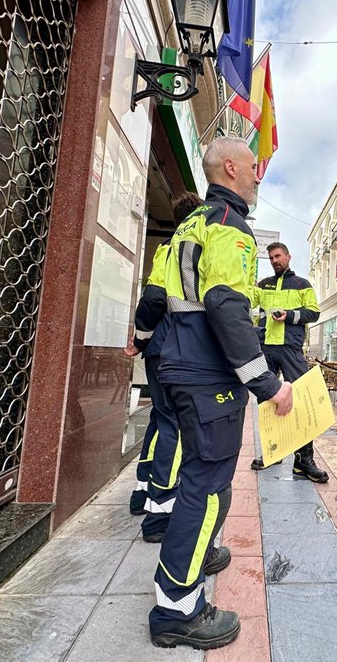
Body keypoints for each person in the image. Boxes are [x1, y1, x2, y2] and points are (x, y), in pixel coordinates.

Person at [149, 137, 293, 650]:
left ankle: (198, 551)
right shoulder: (230, 226)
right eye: (254, 168)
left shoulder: (189, 223)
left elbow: (165, 300)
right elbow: (227, 306)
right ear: (231, 168)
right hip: (210, 376)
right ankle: (177, 607)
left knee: (198, 476)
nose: (258, 177)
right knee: (206, 486)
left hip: (181, 367)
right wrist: (267, 383)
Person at [125, 193, 202, 543]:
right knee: (172, 424)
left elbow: (153, 297)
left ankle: (142, 491)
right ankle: (160, 512)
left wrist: (141, 339)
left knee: (159, 420)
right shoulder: (187, 248)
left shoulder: (165, 249)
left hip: (158, 347)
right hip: (176, 347)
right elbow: (156, 297)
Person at [248, 242, 328, 482]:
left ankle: (304, 460)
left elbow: (314, 312)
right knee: (266, 401)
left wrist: (290, 315)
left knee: (301, 399)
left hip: (291, 348)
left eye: (278, 256)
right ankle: (273, 452)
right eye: (271, 258)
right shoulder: (263, 285)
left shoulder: (302, 284)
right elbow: (248, 302)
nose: (275, 261)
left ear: (288, 256)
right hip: (266, 347)